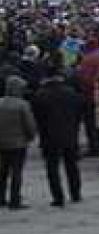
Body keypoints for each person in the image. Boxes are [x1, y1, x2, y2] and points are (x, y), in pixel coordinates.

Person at [31, 62, 86, 206]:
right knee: (72, 165)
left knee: (52, 167)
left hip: (49, 136)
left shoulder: (41, 94)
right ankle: (76, 193)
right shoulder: (71, 92)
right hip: (70, 133)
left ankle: (58, 197)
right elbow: (80, 111)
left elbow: (37, 118)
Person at [0, 76, 36, 210]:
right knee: (16, 172)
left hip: (2, 143)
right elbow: (30, 125)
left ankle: (1, 197)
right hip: (18, 143)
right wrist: (31, 137)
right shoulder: (22, 105)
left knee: (2, 172)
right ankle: (15, 199)